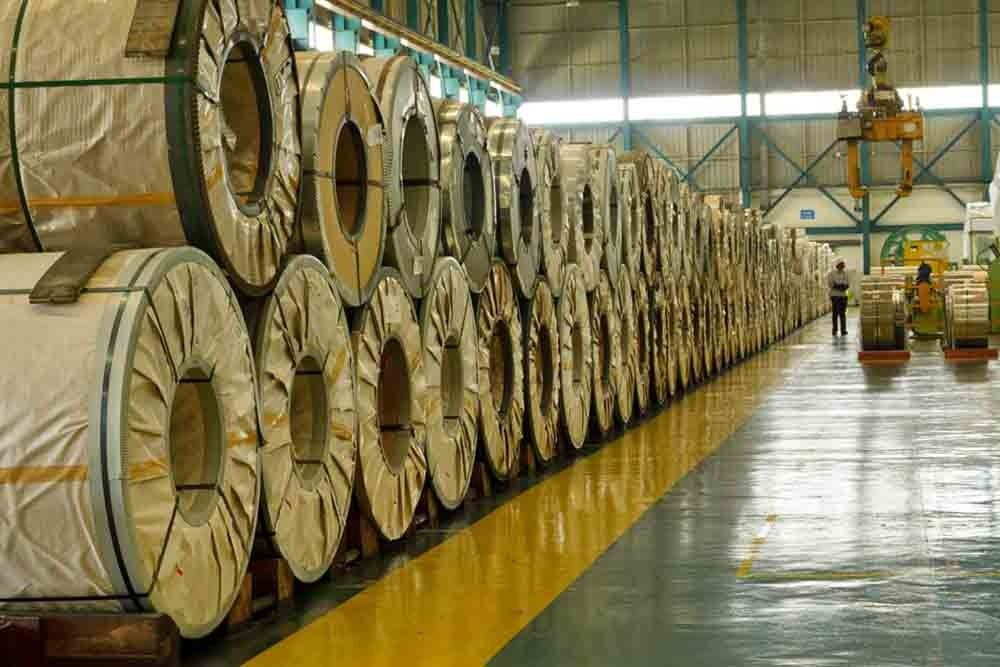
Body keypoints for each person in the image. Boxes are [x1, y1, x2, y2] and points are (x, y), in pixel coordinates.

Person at [827, 259, 850, 337]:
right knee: (835, 313)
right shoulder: (831, 274)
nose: (842, 266)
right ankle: (835, 329)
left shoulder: (846, 274)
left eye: (843, 265)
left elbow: (847, 285)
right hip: (835, 296)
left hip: (843, 296)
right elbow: (831, 284)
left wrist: (838, 286)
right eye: (840, 264)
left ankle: (843, 330)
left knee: (842, 314)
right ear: (837, 265)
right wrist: (840, 286)